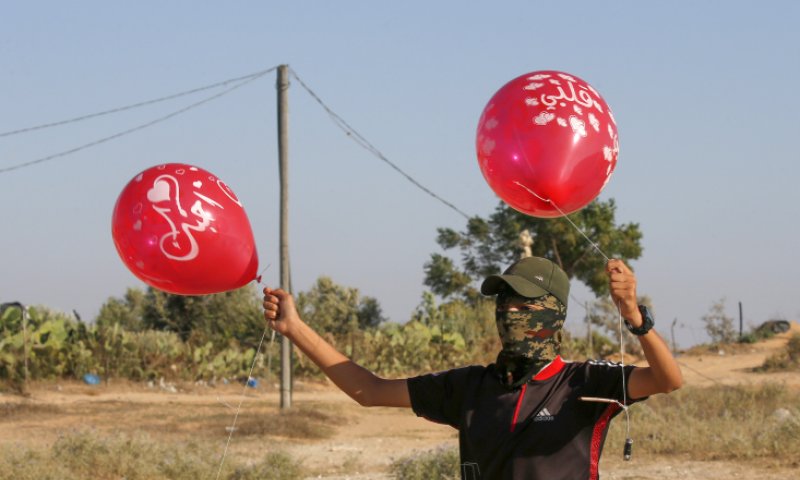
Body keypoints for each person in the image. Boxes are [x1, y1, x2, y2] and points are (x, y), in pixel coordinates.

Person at [262, 257, 682, 479]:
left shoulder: (584, 382)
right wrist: (295, 329)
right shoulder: (469, 386)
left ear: (553, 312)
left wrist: (633, 315)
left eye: (522, 302)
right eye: (504, 301)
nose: (509, 311)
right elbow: (368, 391)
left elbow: (668, 380)